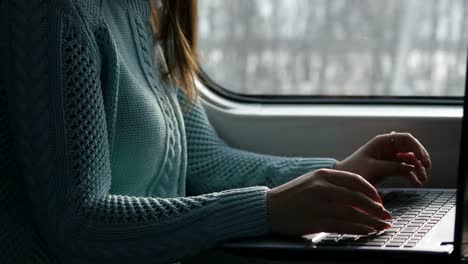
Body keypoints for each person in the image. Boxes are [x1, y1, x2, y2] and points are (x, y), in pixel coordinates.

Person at [0, 0, 431, 263]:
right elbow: (78, 226)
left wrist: (338, 173)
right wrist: (267, 209)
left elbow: (207, 163)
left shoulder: (143, 9)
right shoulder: (53, 13)